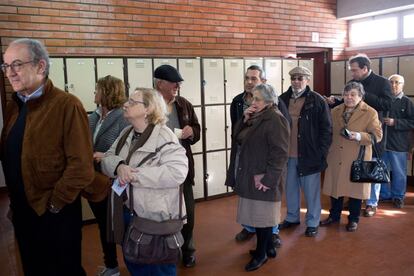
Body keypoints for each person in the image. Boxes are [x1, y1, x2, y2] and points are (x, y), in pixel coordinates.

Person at [0, 38, 94, 275]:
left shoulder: (66, 106)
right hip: (23, 213)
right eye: (6, 66)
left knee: (63, 270)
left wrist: (54, 203)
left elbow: (81, 166)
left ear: (41, 67)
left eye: (17, 64)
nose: (10, 73)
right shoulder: (15, 106)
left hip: (55, 214)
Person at [101, 88, 188, 276]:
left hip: (153, 217)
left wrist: (133, 175)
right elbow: (107, 158)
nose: (125, 104)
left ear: (148, 109)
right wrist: (119, 167)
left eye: (132, 102)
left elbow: (177, 172)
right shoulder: (126, 133)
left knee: (156, 266)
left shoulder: (165, 137)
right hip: (127, 211)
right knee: (134, 261)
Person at [225, 83, 290, 272]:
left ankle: (261, 254)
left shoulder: (275, 119)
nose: (252, 102)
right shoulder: (257, 116)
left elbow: (280, 154)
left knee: (263, 218)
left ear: (269, 101)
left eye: (257, 99)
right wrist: (244, 119)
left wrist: (269, 180)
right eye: (252, 98)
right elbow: (237, 139)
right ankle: (268, 247)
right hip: (251, 173)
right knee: (257, 216)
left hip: (263, 178)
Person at [326, 54, 392, 217]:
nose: (352, 73)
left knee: (368, 172)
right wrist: (336, 101)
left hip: (369, 133)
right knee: (346, 177)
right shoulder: (351, 84)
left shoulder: (382, 82)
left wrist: (363, 95)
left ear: (365, 68)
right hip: (345, 140)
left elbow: (388, 104)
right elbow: (345, 103)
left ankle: (371, 203)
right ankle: (345, 205)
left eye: (354, 70)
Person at [153, 64, 200, 268]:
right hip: (156, 170)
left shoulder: (184, 104)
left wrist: (192, 132)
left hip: (182, 169)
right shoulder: (148, 105)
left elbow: (198, 129)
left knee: (188, 213)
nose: (177, 86)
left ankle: (187, 249)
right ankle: (165, 250)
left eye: (179, 83)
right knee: (161, 214)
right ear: (160, 83)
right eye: (174, 83)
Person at [82, 75, 129, 276]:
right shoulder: (93, 116)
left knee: (119, 225)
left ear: (107, 92)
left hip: (113, 180)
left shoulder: (122, 117)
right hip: (95, 181)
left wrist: (103, 157)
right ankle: (111, 266)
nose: (94, 93)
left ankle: (133, 261)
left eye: (97, 89)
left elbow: (122, 149)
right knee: (104, 225)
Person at [320, 82, 382, 232]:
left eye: (353, 95)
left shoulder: (370, 112)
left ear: (360, 96)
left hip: (357, 156)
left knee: (355, 191)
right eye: (346, 95)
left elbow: (377, 136)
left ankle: (353, 219)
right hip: (336, 155)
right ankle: (334, 215)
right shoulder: (335, 110)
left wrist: (358, 135)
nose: (349, 98)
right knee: (336, 187)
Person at [278, 66, 332, 237]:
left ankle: (313, 221)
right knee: (290, 189)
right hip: (287, 155)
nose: (296, 81)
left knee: (311, 191)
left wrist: (321, 153)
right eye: (293, 78)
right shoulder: (282, 99)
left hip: (309, 155)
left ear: (307, 80)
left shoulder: (317, 100)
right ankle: (292, 217)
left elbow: (326, 129)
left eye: (300, 78)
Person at [379, 74, 414, 208]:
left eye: (397, 83)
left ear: (402, 85)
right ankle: (385, 194)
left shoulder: (407, 102)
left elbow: (412, 122)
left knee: (399, 172)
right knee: (382, 171)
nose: (394, 85)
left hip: (399, 145)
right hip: (382, 144)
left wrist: (396, 122)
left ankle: (398, 196)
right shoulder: (382, 100)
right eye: (391, 82)